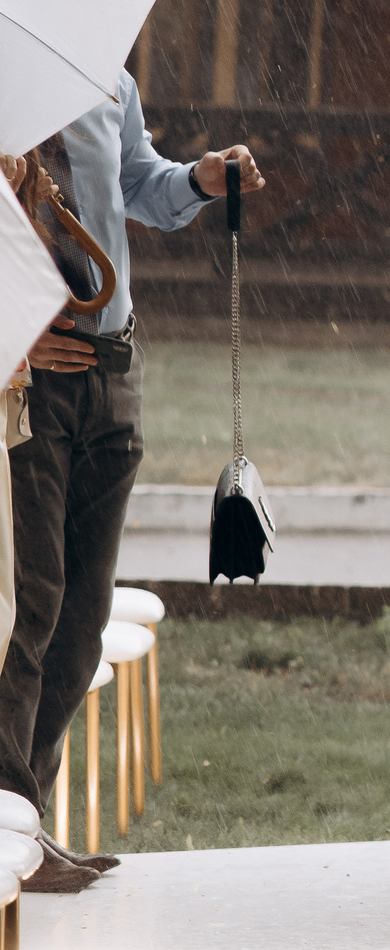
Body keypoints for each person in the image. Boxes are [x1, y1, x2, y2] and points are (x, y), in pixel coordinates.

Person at [1, 81, 263, 894]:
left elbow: (134, 180)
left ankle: (25, 819)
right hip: (30, 380)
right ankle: (6, 823)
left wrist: (198, 179)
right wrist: (13, 325)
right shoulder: (11, 73)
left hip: (116, 371)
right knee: (31, 604)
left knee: (81, 617)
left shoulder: (109, 72)